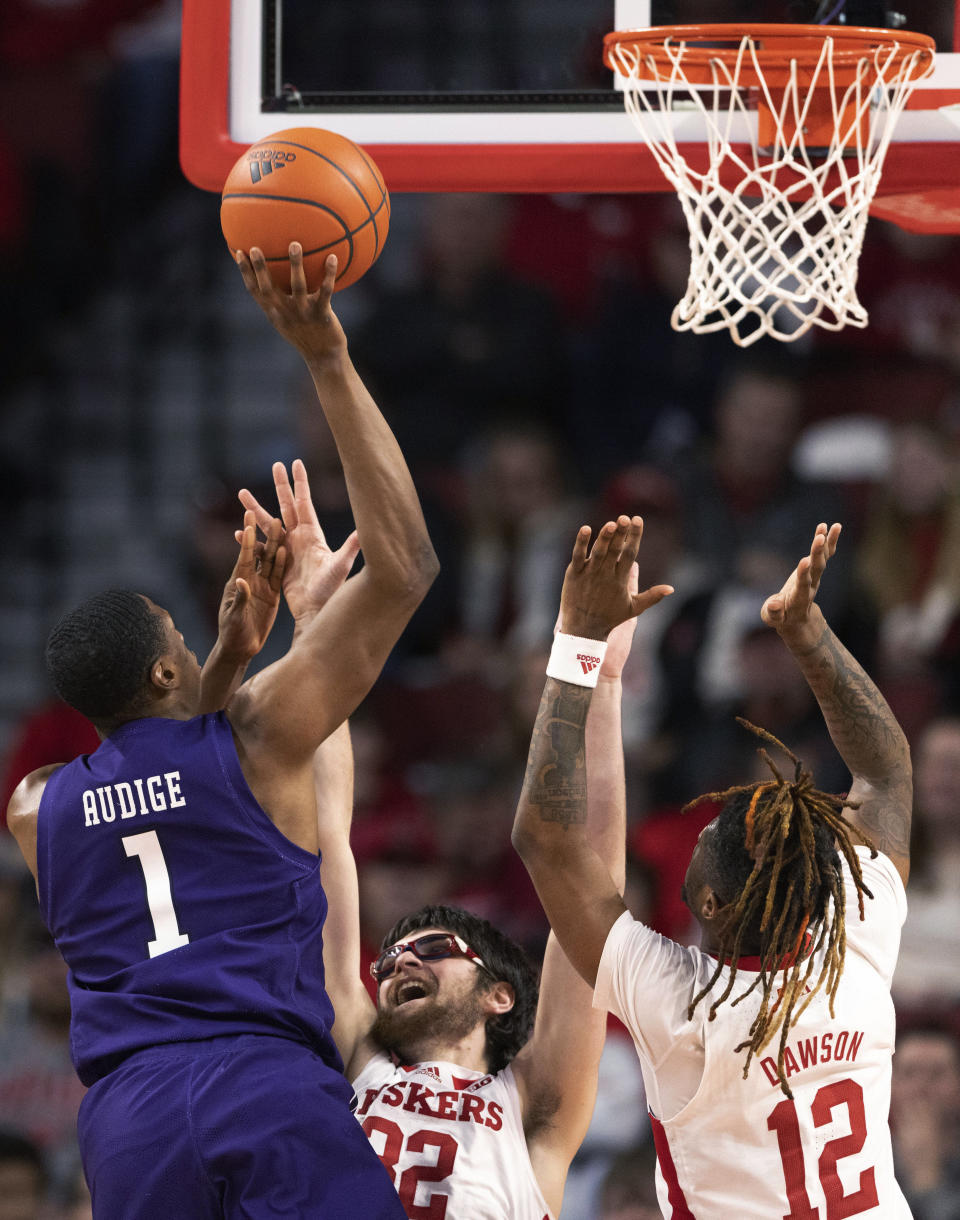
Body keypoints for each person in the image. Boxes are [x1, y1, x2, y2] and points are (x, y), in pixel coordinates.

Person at [5, 245, 439, 1220]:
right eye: (178, 627)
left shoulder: (36, 804)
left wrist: (230, 660)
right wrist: (326, 356)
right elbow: (405, 567)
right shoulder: (257, 736)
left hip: (125, 1117)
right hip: (265, 1079)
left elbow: (156, 769)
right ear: (171, 668)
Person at [248, 452, 640, 1218]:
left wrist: (597, 672)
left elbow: (595, 900)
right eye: (392, 955)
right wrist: (317, 636)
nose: (393, 962)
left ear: (500, 994)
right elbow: (331, 840)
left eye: (427, 949)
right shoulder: (357, 1052)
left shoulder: (537, 1108)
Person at [513, 517, 914, 1217]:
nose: (695, 835)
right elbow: (885, 772)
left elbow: (547, 840)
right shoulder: (854, 935)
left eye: (704, 838)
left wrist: (577, 641)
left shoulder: (688, 1013)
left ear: (708, 901)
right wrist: (807, 632)